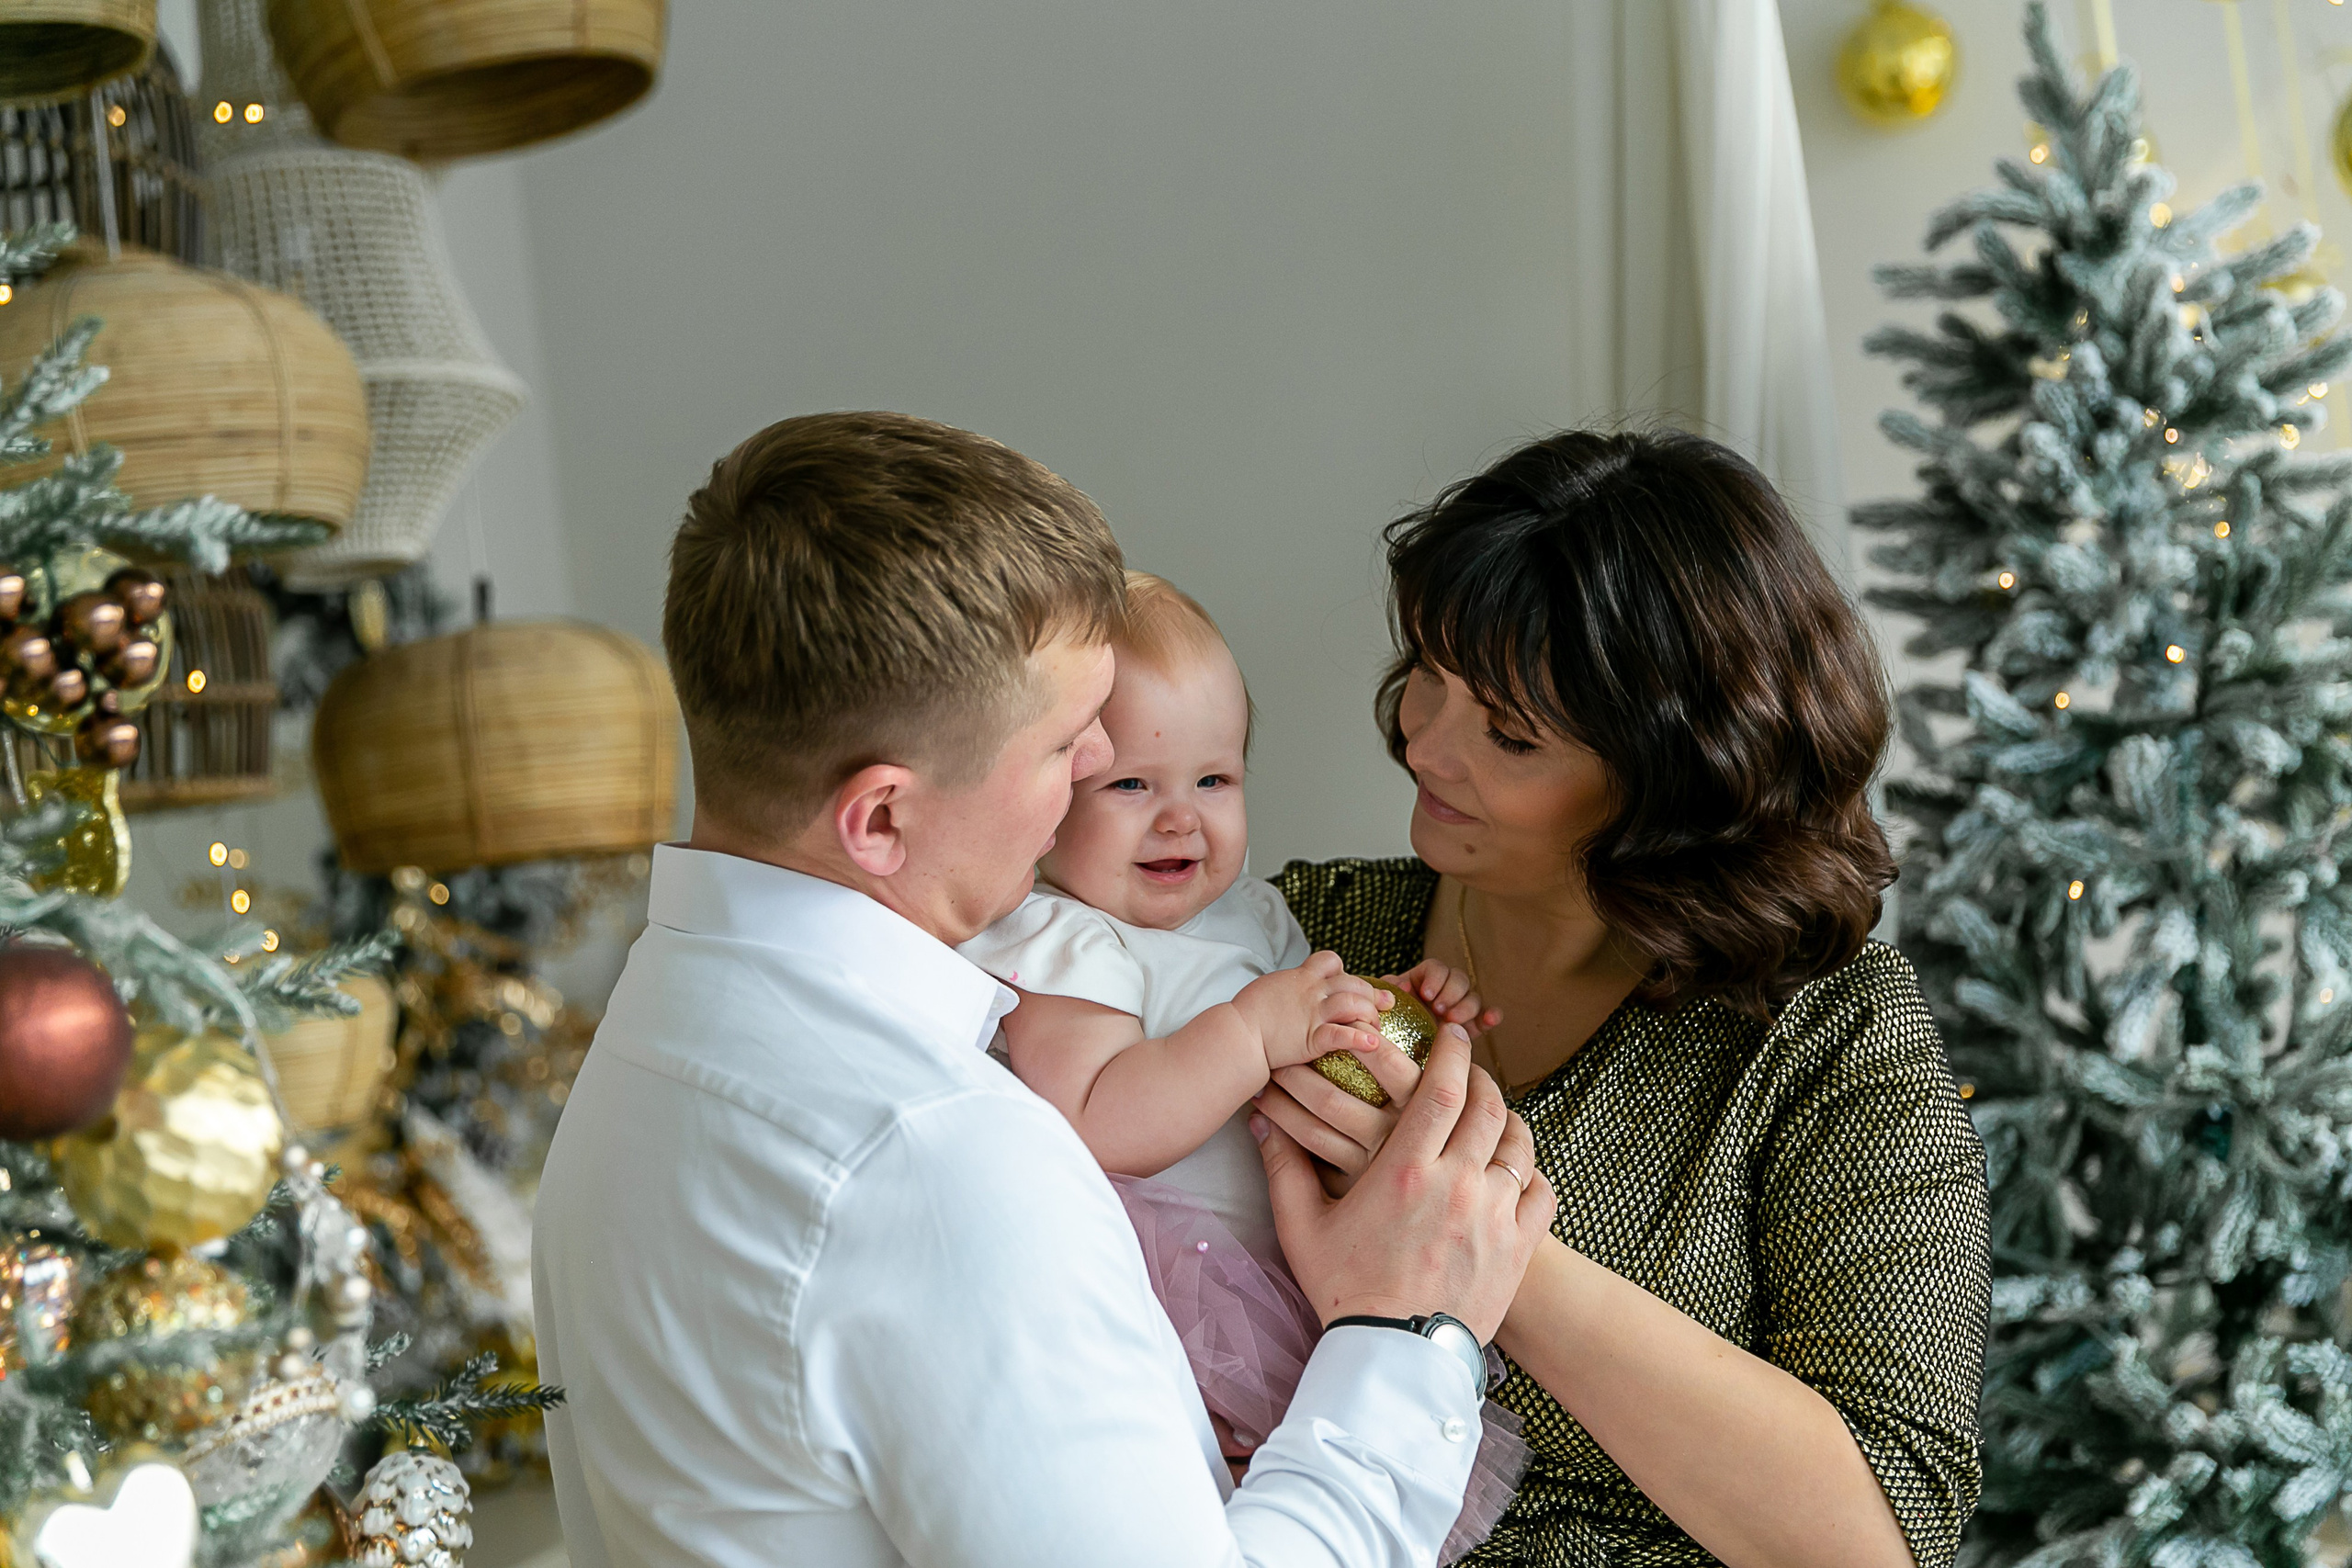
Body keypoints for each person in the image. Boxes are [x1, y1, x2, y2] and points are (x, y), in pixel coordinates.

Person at [530, 412, 1555, 1568]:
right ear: (880, 818)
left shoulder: (647, 1040)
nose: (1091, 779)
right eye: (1066, 747)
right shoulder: (941, 1156)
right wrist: (1404, 1329)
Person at [1253, 428, 1992, 1568]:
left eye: (1509, 733)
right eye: (1429, 680)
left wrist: (1486, 1247)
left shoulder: (1825, 1037)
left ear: (1671, 778)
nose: (1426, 748)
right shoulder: (1301, 940)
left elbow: (1878, 1536)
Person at [956, 571, 1525, 1560]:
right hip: (1161, 1297)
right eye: (1131, 786)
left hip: (1280, 1283)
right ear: (1049, 793)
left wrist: (1387, 1012)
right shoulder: (1060, 941)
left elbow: (1301, 1039)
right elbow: (1094, 1121)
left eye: (1213, 781)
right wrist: (1252, 1033)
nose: (1181, 819)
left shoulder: (1251, 914)